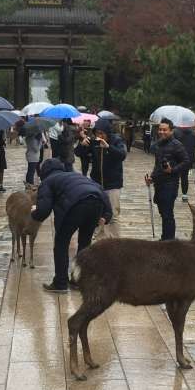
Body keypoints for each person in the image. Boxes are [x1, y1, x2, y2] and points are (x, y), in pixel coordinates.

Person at [31, 158, 112, 293]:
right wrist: (106, 215)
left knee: (61, 243)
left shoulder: (48, 181)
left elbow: (43, 210)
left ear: (43, 172)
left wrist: (35, 213)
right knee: (84, 244)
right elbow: (100, 190)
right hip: (96, 203)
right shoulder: (76, 175)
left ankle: (60, 283)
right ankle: (78, 281)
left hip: (75, 207)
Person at [145, 118, 189, 241]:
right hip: (159, 184)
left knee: (167, 214)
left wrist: (173, 170)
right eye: (160, 129)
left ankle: (169, 241)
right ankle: (165, 238)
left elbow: (186, 162)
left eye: (165, 130)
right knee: (163, 213)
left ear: (171, 131)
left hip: (170, 184)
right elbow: (157, 165)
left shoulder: (177, 145)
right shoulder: (159, 144)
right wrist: (151, 178)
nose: (162, 132)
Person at [89, 118, 126, 240]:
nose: (99, 136)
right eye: (97, 133)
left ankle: (116, 241)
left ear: (107, 132)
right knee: (99, 213)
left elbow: (122, 155)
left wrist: (108, 147)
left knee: (113, 214)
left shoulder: (116, 140)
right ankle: (102, 240)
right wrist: (82, 145)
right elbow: (81, 154)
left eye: (102, 133)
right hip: (97, 183)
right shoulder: (94, 142)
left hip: (112, 184)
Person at [174, 126, 195, 202]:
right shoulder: (193, 133)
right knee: (184, 177)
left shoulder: (175, 132)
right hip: (188, 158)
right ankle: (184, 195)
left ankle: (174, 194)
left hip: (177, 157)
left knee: (175, 176)